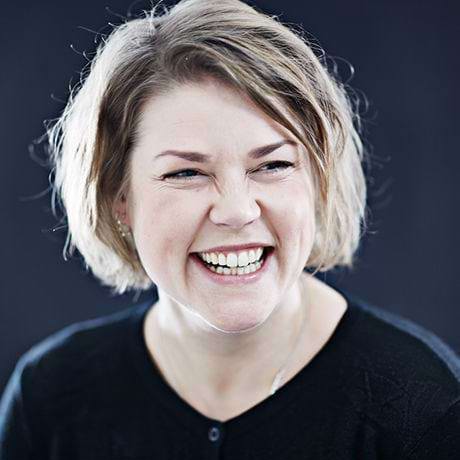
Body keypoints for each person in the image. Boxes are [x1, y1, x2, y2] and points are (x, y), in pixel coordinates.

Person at [1, 0, 459, 458]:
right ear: (119, 198)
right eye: (186, 173)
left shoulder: (424, 406)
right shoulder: (49, 399)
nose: (237, 211)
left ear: (319, 180)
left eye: (273, 165)